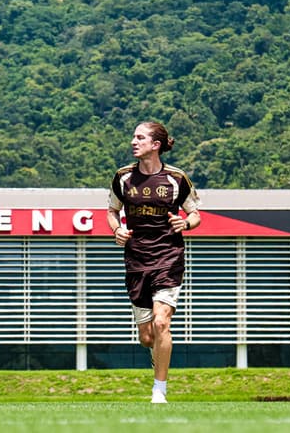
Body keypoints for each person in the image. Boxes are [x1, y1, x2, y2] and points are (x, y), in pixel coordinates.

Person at [107, 121, 201, 404]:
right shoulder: (122, 178)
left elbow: (196, 215)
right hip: (136, 260)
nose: (134, 142)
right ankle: (155, 353)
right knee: (147, 336)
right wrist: (117, 230)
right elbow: (112, 211)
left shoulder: (176, 178)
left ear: (155, 144)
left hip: (168, 256)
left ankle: (159, 391)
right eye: (134, 137)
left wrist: (185, 223)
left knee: (162, 323)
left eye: (140, 137)